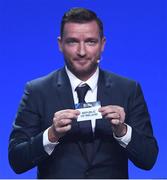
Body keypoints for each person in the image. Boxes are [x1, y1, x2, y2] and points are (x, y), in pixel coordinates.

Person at [8, 7, 158, 179]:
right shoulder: (37, 91)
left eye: (90, 42)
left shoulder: (129, 89)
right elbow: (16, 161)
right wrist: (52, 134)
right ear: (60, 44)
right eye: (72, 41)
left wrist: (122, 131)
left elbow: (149, 159)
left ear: (103, 44)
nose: (81, 51)